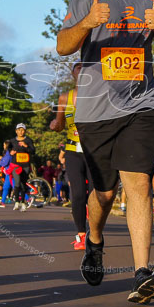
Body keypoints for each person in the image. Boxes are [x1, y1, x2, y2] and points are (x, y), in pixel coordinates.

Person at [55, 0, 154, 304]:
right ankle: (94, 241)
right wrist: (88, 22)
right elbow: (63, 46)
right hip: (96, 112)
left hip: (141, 105)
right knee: (105, 193)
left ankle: (142, 273)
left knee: (139, 184)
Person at [50, 62, 89, 249]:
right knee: (78, 194)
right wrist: (55, 125)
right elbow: (59, 124)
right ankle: (81, 234)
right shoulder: (65, 98)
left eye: (84, 67)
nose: (81, 69)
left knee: (99, 195)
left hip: (95, 151)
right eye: (77, 67)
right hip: (73, 151)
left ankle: (95, 233)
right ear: (73, 73)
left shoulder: (99, 95)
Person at [7, 123, 36, 211]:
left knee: (23, 184)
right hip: (16, 165)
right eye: (19, 130)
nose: (21, 131)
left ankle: (23, 203)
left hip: (26, 165)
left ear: (25, 131)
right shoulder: (12, 141)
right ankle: (16, 202)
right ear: (16, 131)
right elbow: (8, 149)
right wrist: (11, 152)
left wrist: (26, 146)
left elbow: (33, 151)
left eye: (22, 130)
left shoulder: (28, 140)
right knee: (17, 182)